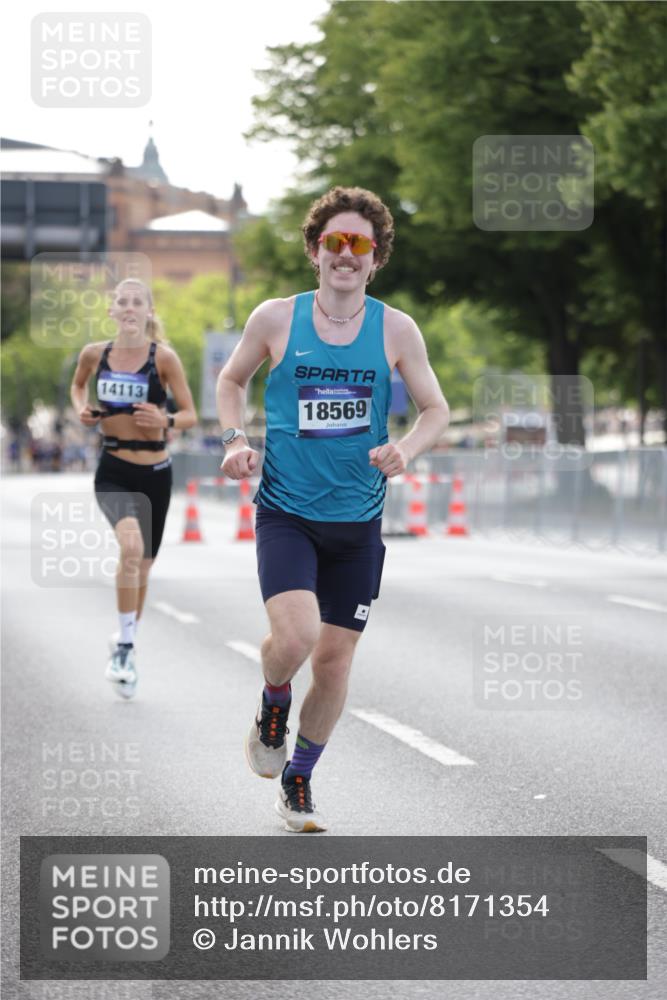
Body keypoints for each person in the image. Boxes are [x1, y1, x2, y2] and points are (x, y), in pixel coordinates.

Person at [218, 186, 449, 832]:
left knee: (334, 661)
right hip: (287, 510)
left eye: (359, 245)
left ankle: (298, 780)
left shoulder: (395, 329)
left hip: (357, 521)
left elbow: (436, 409)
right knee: (295, 638)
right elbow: (231, 380)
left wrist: (405, 449)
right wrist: (234, 440)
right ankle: (271, 706)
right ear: (315, 250)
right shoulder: (275, 319)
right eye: (334, 242)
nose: (345, 255)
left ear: (374, 259)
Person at [70, 278, 197, 698]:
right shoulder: (95, 354)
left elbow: (190, 415)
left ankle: (127, 638)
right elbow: (77, 386)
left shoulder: (164, 359)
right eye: (121, 302)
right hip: (114, 469)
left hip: (156, 472)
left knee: (142, 567)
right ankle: (123, 651)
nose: (128, 308)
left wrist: (166, 421)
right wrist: (82, 411)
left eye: (136, 302)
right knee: (129, 549)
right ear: (111, 311)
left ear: (148, 311)